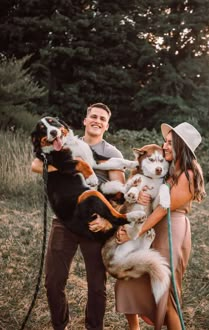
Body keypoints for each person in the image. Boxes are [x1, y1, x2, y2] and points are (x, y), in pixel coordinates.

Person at [31, 103, 125, 330]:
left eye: (102, 118)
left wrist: (107, 220)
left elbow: (120, 192)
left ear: (107, 125)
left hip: (94, 221)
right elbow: (35, 165)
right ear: (84, 120)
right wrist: (69, 166)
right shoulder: (65, 142)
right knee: (53, 282)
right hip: (63, 220)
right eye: (93, 116)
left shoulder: (112, 153)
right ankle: (59, 326)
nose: (97, 121)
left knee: (96, 286)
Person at [115, 122, 206, 330]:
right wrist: (144, 193)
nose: (164, 146)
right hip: (155, 228)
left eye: (169, 143)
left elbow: (163, 210)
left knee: (167, 292)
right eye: (165, 142)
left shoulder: (188, 174)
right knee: (130, 277)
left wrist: (132, 234)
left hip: (172, 232)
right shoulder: (168, 170)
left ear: (181, 147)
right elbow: (149, 188)